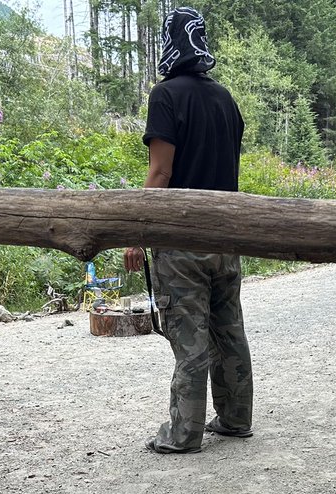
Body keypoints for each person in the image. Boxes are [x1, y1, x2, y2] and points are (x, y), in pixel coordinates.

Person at [124, 8, 253, 454]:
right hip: (226, 239)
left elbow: (160, 174)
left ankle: (183, 433)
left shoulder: (166, 96)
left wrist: (138, 233)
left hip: (181, 242)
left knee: (189, 337)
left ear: (169, 44)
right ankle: (236, 419)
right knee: (228, 329)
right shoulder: (225, 99)